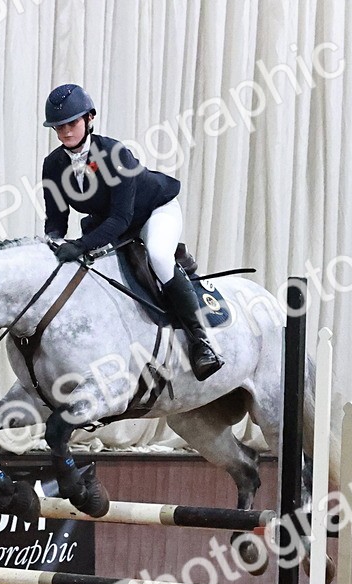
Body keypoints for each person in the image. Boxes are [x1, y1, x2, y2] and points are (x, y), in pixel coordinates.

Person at [40, 83, 223, 381]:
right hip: (108, 221)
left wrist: (82, 245)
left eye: (72, 123)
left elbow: (122, 218)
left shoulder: (114, 154)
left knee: (159, 257)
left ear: (90, 118)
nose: (65, 132)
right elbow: (56, 218)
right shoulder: (53, 165)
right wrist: (52, 244)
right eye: (59, 127)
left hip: (153, 211)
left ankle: (201, 342)